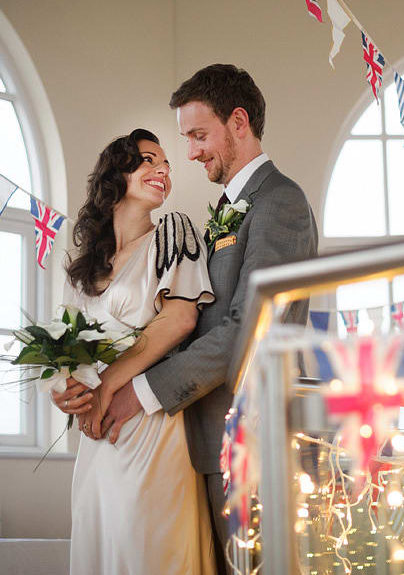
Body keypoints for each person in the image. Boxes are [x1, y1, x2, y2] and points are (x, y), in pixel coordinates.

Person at [78, 64, 319, 573]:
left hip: (256, 443)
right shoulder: (224, 212)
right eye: (186, 138)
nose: (190, 153)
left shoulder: (280, 202)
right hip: (206, 445)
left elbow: (249, 334)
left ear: (238, 122)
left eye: (198, 135)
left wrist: (138, 394)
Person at [53, 128, 217, 575]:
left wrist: (107, 384)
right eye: (148, 160)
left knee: (144, 547)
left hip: (149, 424)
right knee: (99, 542)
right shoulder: (86, 267)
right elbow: (72, 351)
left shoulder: (172, 233)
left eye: (167, 164)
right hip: (97, 435)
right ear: (116, 174)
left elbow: (179, 320)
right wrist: (67, 392)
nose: (163, 170)